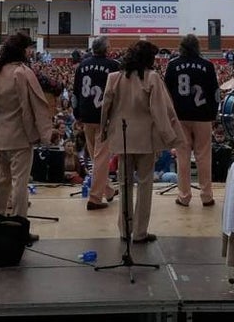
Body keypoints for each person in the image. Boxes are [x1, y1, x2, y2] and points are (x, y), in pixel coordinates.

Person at [100, 40, 183, 244]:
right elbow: (160, 112)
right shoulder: (152, 78)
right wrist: (170, 137)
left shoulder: (114, 78)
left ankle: (124, 229)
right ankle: (139, 232)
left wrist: (103, 132)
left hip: (122, 137)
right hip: (146, 139)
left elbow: (105, 108)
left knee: (124, 183)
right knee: (145, 185)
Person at [0, 32, 51, 231]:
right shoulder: (22, 72)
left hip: (0, 136)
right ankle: (19, 224)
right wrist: (45, 134)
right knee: (20, 182)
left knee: (1, 181)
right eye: (28, 48)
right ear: (21, 50)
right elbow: (36, 105)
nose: (30, 52)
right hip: (21, 137)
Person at [164, 32, 219, 207]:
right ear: (197, 47)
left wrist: (171, 117)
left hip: (180, 116)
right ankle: (206, 196)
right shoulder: (207, 65)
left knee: (182, 156)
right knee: (203, 156)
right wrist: (213, 114)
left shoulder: (173, 65)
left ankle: (184, 196)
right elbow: (216, 94)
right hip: (203, 116)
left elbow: (166, 93)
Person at [73, 36, 121, 211]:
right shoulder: (113, 65)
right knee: (101, 158)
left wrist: (76, 114)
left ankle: (107, 190)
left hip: (86, 115)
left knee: (96, 156)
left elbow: (75, 92)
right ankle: (95, 197)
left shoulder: (82, 66)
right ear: (106, 49)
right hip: (103, 117)